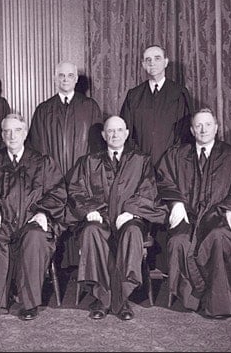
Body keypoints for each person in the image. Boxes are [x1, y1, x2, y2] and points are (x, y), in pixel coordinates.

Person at [156, 107, 231, 319]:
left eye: (208, 125)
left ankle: (219, 304)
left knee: (217, 237)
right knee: (179, 240)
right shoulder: (176, 155)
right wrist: (176, 202)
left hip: (219, 216)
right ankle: (191, 299)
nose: (203, 129)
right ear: (191, 130)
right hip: (189, 216)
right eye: (198, 125)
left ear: (216, 128)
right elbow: (163, 180)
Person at [66, 116, 166, 320]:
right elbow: (76, 190)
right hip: (99, 219)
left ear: (127, 133)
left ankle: (122, 299)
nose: (114, 134)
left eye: (119, 130)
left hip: (129, 219)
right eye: (110, 131)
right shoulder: (88, 162)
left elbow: (148, 191)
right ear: (103, 135)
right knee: (91, 231)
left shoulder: (141, 160)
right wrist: (89, 210)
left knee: (133, 232)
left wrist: (131, 211)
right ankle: (102, 299)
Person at [0, 113, 66, 321]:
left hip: (31, 221)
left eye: (17, 130)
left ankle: (29, 303)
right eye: (7, 131)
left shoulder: (42, 162)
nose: (12, 136)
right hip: (2, 221)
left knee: (35, 239)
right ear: (2, 136)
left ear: (25, 133)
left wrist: (43, 212)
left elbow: (57, 192)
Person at [120, 45, 193, 273]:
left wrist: (175, 163)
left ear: (166, 62)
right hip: (141, 167)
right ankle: (142, 269)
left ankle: (167, 267)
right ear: (142, 64)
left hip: (171, 167)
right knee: (142, 211)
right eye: (147, 60)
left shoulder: (179, 93)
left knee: (171, 211)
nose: (152, 63)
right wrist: (137, 162)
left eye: (156, 58)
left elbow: (187, 134)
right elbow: (125, 133)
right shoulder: (134, 95)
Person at [27, 61, 104, 268]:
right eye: (61, 75)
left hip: (82, 180)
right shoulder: (44, 110)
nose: (65, 79)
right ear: (55, 78)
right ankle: (56, 269)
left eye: (70, 76)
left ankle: (83, 270)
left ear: (76, 80)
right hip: (53, 180)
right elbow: (36, 150)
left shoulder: (90, 107)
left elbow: (97, 150)